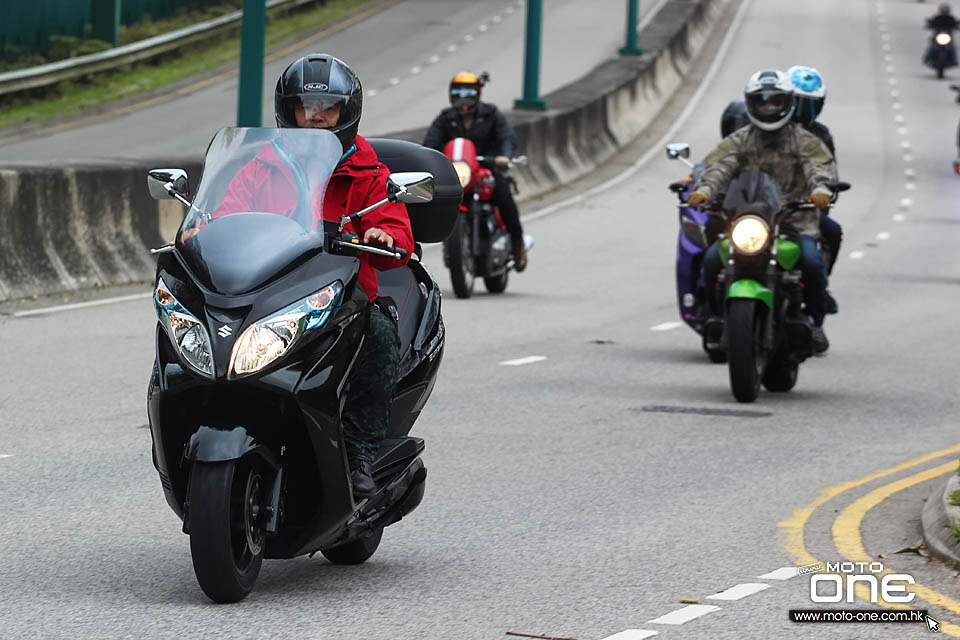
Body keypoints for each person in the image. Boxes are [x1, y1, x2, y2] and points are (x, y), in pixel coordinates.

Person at [214, 54, 414, 499]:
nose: (317, 116)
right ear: (289, 110)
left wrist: (382, 233)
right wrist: (200, 227)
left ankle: (360, 454)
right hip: (272, 292)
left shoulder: (365, 170)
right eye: (307, 106)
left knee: (379, 338)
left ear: (347, 112)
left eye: (328, 108)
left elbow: (397, 229)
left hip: (344, 298)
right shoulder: (263, 164)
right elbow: (226, 211)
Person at [687, 69, 837, 354]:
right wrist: (704, 191)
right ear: (752, 103)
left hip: (794, 221)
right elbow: (718, 166)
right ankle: (716, 315)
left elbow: (820, 168)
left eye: (775, 102)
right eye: (762, 102)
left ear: (787, 103)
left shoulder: (805, 141)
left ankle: (816, 323)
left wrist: (820, 191)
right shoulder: (739, 139)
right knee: (710, 260)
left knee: (812, 261)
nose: (769, 108)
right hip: (747, 219)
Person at [422, 72, 527, 271]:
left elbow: (507, 138)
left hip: (486, 170)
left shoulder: (492, 114)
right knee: (437, 199)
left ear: (477, 93)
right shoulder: (446, 118)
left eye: (469, 92)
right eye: (458, 92)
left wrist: (503, 157)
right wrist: (428, 160)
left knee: (504, 195)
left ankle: (517, 243)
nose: (464, 98)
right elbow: (430, 144)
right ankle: (448, 241)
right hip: (458, 173)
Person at [789, 65, 842, 314]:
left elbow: (828, 172)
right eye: (796, 104)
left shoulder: (820, 136)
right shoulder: (758, 129)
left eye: (809, 106)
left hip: (802, 213)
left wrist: (823, 192)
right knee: (714, 254)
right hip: (759, 211)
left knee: (824, 243)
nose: (801, 114)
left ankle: (816, 303)